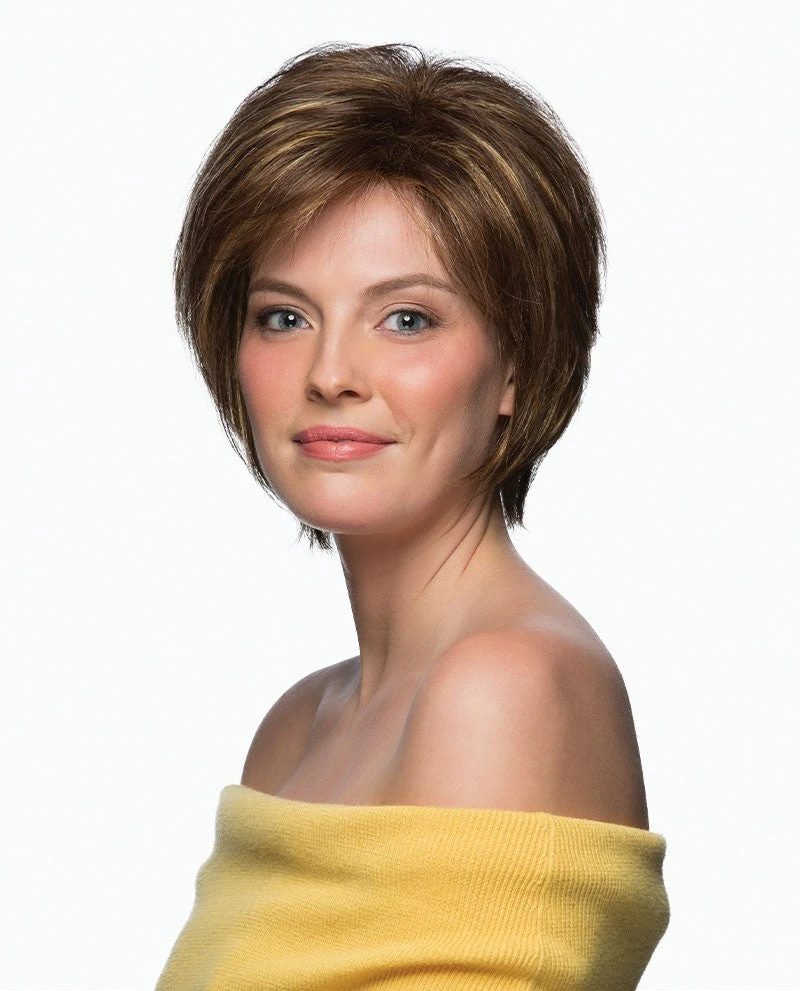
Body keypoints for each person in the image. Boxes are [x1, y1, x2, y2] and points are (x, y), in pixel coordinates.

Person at [155, 41, 670, 990]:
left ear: (516, 365)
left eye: (407, 318)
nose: (330, 373)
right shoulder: (295, 728)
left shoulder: (501, 689)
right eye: (283, 316)